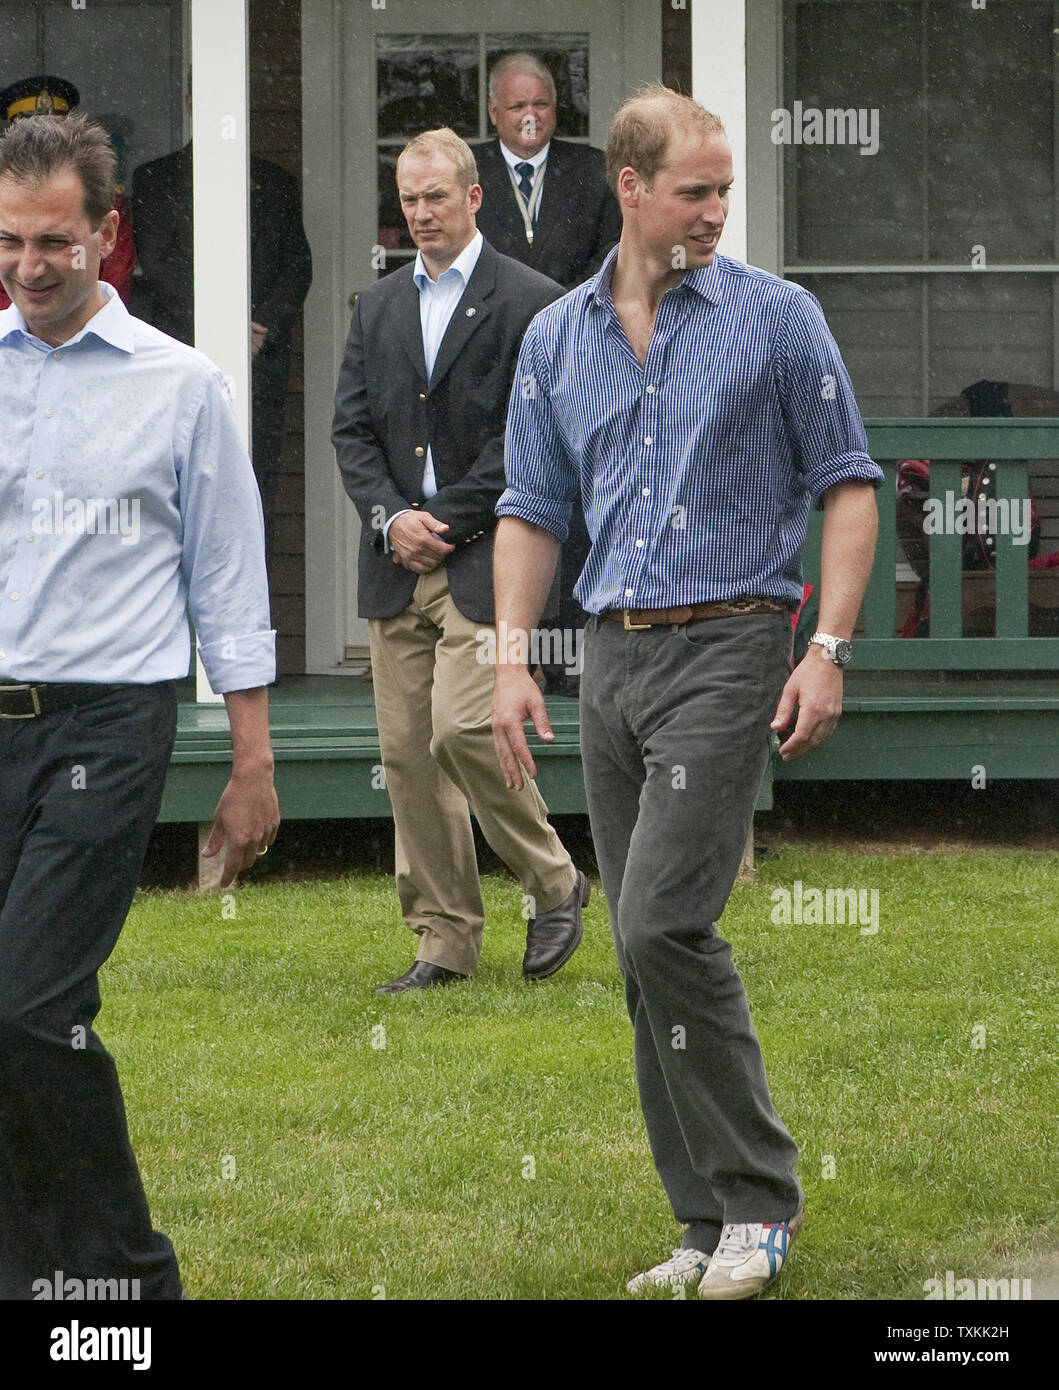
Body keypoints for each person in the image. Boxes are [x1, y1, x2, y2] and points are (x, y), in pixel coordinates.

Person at [492, 85, 882, 1300]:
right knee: (631, 942)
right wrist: (511, 655)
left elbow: (850, 484)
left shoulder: (777, 319)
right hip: (610, 657)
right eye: (694, 190)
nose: (716, 210)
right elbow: (530, 509)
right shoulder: (557, 339)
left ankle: (761, 1201)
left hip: (735, 639)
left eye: (725, 190)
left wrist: (829, 647)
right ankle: (699, 1218)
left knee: (663, 918)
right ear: (630, 187)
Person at [0, 113, 279, 1300]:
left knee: (27, 1003)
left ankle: (127, 1281)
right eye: (8, 241)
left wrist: (255, 763)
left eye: (54, 242)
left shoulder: (183, 386)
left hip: (110, 725)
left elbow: (229, 574)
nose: (27, 266)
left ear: (107, 237)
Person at [332, 127, 587, 994]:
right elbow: (352, 432)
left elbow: (531, 441)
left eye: (436, 196)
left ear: (474, 197)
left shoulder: (534, 303)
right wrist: (390, 516)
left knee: (463, 728)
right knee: (407, 757)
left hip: (487, 557)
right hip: (394, 563)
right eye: (408, 199)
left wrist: (440, 518)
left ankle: (554, 880)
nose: (421, 212)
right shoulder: (375, 307)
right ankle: (443, 940)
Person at [475, 51, 621, 696]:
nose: (531, 118)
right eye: (517, 106)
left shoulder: (592, 171)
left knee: (580, 503)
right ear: (493, 112)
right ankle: (509, 656)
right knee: (510, 503)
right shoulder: (467, 171)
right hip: (488, 364)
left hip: (582, 361)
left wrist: (561, 323)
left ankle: (573, 659)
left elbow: (611, 261)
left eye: (543, 105)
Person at [131, 78, 312, 564]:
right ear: (190, 102)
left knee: (254, 493)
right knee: (179, 495)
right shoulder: (155, 178)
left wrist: (258, 327)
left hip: (259, 368)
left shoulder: (273, 182)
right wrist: (217, 328)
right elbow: (160, 265)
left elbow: (298, 264)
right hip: (179, 361)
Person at [0, 75, 135, 307]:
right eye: (9, 240)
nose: (29, 272)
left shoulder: (89, 188)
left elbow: (117, 271)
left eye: (55, 241)